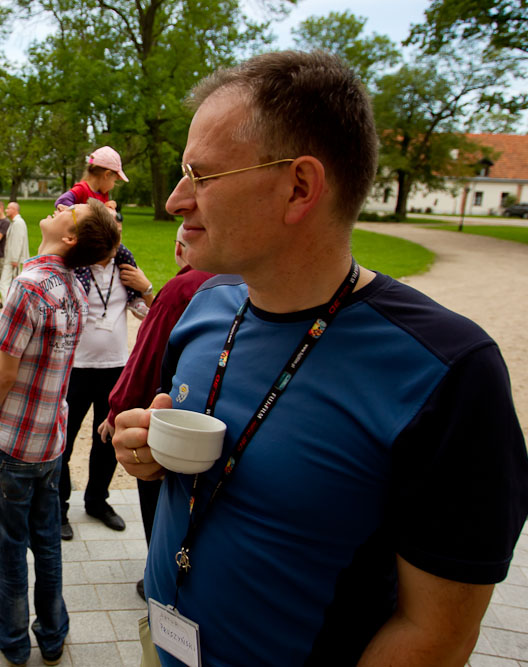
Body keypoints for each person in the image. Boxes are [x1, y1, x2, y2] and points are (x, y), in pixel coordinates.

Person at [112, 51, 528, 666]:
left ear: (299, 187)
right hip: (166, 647)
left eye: (201, 176)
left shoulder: (448, 373)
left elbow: (436, 635)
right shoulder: (204, 308)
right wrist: (147, 457)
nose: (175, 201)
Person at [0, 199, 120, 667]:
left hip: (12, 442)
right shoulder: (74, 287)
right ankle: (53, 636)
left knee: (8, 547)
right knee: (47, 544)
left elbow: (4, 374)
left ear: (70, 237)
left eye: (70, 212)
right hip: (49, 441)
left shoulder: (31, 286)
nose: (61, 208)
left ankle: (13, 639)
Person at [97, 224, 214, 597]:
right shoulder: (243, 278)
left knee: (159, 504)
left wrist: (116, 411)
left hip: (164, 420)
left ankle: (159, 578)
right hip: (211, 424)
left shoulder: (184, 287)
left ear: (180, 248)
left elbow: (148, 356)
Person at [58, 224, 155, 540]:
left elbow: (150, 313)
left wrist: (147, 287)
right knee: (64, 440)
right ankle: (58, 507)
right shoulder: (75, 268)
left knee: (107, 441)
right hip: (75, 368)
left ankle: (97, 501)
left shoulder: (126, 268)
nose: (116, 240)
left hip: (115, 369)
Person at [54, 146, 128, 213]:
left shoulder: (103, 194)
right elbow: (62, 201)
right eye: (114, 181)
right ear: (107, 175)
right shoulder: (82, 189)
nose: (113, 186)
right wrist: (82, 212)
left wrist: (107, 208)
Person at [0, 201, 29, 306]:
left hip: (12, 259)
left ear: (14, 210)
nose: (6, 210)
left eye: (8, 208)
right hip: (12, 258)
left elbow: (17, 241)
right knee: (11, 284)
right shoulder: (16, 222)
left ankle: (8, 308)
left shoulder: (18, 223)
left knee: (4, 284)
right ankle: (11, 307)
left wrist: (15, 259)